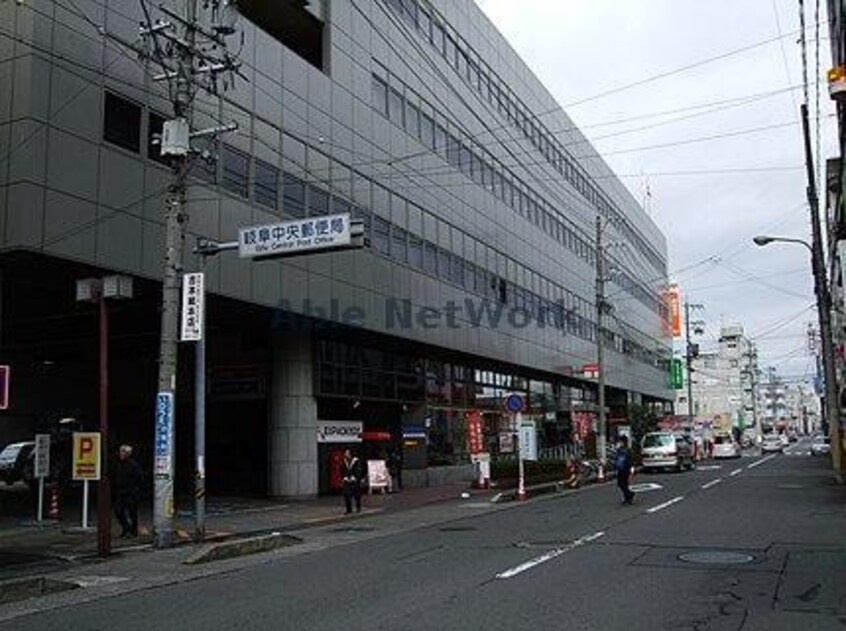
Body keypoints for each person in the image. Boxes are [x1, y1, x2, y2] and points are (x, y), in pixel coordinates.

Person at [114, 444, 143, 537]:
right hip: (121, 491)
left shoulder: (133, 465)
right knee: (118, 511)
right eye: (120, 451)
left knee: (132, 512)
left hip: (131, 492)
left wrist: (135, 488)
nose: (121, 454)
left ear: (128, 454)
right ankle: (126, 528)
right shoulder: (119, 464)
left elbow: (139, 478)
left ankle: (133, 531)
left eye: (123, 452)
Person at [614, 436, 635, 505]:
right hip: (625, 469)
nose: (619, 443)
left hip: (622, 469)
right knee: (624, 484)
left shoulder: (620, 450)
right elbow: (631, 460)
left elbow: (616, 458)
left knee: (621, 483)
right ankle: (628, 498)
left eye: (620, 442)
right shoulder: (628, 450)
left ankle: (629, 495)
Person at [341, 449, 363, 514]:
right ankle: (348, 509)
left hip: (355, 481)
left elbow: (359, 470)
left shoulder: (356, 461)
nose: (345, 454)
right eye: (345, 453)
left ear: (350, 454)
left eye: (347, 453)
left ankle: (358, 507)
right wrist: (344, 477)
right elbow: (342, 470)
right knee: (346, 495)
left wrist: (355, 477)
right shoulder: (345, 461)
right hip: (347, 480)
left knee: (357, 495)